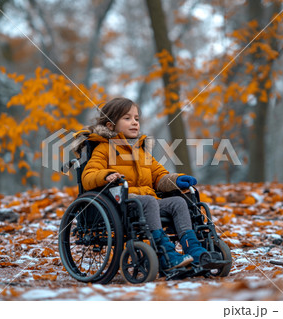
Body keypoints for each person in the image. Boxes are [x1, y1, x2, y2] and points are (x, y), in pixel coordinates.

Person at [71, 97, 219, 271]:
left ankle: (194, 248)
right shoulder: (103, 149)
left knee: (178, 202)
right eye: (127, 118)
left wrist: (176, 180)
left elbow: (159, 176)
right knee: (148, 201)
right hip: (121, 203)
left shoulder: (141, 152)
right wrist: (107, 175)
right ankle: (165, 253)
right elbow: (88, 176)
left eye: (136, 119)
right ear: (110, 126)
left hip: (148, 203)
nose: (134, 123)